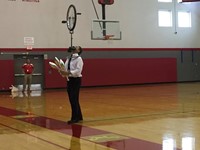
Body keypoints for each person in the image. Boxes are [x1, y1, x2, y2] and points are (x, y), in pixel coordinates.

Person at [59, 46, 83, 124]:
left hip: (76, 80)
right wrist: (62, 72)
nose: (74, 47)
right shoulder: (69, 58)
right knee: (72, 98)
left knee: (74, 99)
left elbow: (78, 71)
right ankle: (79, 116)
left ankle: (74, 118)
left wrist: (68, 73)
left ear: (79, 50)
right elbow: (65, 68)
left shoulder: (79, 59)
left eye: (76, 47)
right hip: (69, 80)